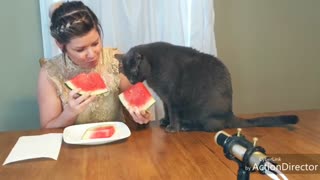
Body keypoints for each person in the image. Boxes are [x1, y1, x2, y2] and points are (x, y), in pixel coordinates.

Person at [37, 1, 151, 129]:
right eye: (80, 50)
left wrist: (140, 112)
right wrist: (70, 113)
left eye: (95, 43)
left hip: (114, 142)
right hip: (72, 147)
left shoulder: (115, 59)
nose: (92, 54)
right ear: (60, 45)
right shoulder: (49, 73)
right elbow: (47, 128)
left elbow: (135, 100)